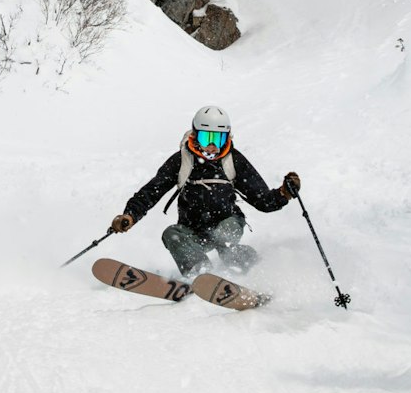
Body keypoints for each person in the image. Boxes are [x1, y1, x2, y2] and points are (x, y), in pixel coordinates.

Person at [108, 104, 301, 277]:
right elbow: (152, 190)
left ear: (228, 137)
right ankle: (200, 274)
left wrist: (284, 193)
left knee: (224, 236)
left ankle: (246, 264)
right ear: (194, 135)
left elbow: (262, 200)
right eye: (205, 137)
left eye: (218, 139)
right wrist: (130, 215)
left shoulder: (233, 160)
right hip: (193, 230)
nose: (211, 145)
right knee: (171, 234)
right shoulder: (182, 160)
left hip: (228, 221)